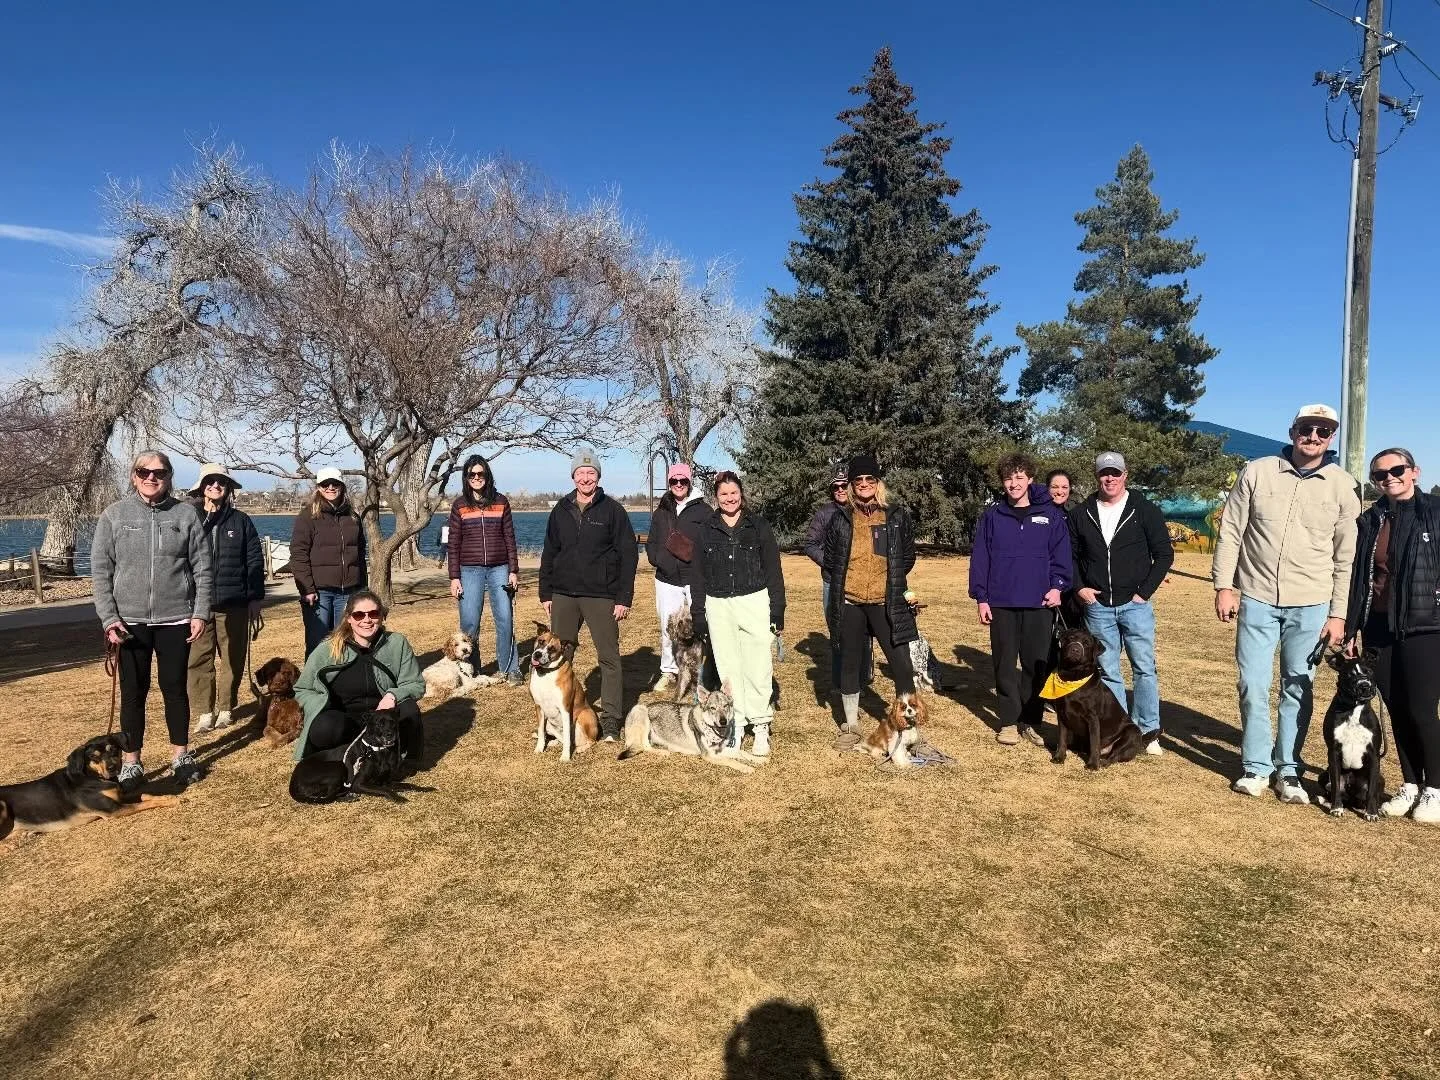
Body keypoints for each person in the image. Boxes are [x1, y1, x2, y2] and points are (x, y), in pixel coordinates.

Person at [1212, 404, 1360, 804]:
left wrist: (1338, 613)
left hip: (1312, 602)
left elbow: (1346, 557)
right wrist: (1224, 585)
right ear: (1293, 430)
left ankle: (1289, 770)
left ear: (1330, 439)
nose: (1313, 436)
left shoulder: (1343, 485)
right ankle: (1256, 767)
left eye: (1323, 431)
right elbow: (1231, 531)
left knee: (1298, 686)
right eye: (1307, 429)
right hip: (1257, 596)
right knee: (1252, 684)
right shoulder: (1257, 472)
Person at [91, 450, 213, 790]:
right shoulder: (113, 516)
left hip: (176, 618)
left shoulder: (186, 514)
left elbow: (203, 569)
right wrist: (109, 618)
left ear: (169, 476)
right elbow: (101, 573)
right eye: (144, 471)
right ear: (133, 476)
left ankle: (181, 756)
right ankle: (131, 761)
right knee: (134, 692)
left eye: (159, 472)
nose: (151, 477)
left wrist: (200, 612)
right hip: (129, 623)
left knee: (175, 689)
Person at [1343, 448, 1440, 823]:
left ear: (1414, 471)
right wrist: (1352, 627)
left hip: (1425, 626)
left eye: (1396, 470)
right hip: (1378, 627)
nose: (1389, 479)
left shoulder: (1434, 510)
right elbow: (1358, 579)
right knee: (1396, 709)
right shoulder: (1371, 519)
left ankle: (1435, 789)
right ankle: (1411, 785)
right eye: (1379, 475)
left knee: (1421, 709)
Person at [1068, 451, 1174, 755]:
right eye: (1104, 473)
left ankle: (1147, 730)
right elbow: (1072, 556)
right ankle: (1116, 730)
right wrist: (1079, 587)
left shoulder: (1144, 509)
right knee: (1109, 669)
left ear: (1125, 475)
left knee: (1144, 668)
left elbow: (1164, 554)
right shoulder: (1081, 513)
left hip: (1135, 604)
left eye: (1115, 473)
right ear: (1097, 476)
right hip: (1098, 606)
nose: (1109, 478)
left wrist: (1144, 592)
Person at [969, 453, 1071, 746]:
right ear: (1002, 482)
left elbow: (1061, 556)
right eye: (1008, 478)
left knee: (1035, 664)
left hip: (1040, 602)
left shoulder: (1050, 515)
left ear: (1030, 480)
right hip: (1001, 602)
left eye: (1019, 477)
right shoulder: (992, 516)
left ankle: (1031, 720)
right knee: (1004, 664)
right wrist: (982, 598)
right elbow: (981, 558)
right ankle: (1009, 722)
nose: (1013, 483)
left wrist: (1057, 587)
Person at [538, 448, 638, 742]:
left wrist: (623, 597)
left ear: (598, 476)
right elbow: (549, 552)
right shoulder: (560, 510)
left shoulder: (613, 511)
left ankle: (610, 721)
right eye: (580, 473)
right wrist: (546, 592)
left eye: (590, 473)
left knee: (608, 658)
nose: (585, 478)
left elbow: (628, 555)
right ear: (573, 477)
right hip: (564, 594)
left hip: (601, 595)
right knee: (558, 657)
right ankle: (557, 720)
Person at [686, 471, 785, 755]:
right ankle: (736, 726)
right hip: (718, 605)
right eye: (723, 494)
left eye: (734, 493)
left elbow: (773, 571)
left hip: (754, 600)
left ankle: (761, 725)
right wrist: (699, 613)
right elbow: (698, 576)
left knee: (757, 665)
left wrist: (777, 610)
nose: (729, 499)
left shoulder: (759, 526)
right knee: (729, 668)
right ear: (715, 498)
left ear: (741, 493)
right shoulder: (706, 530)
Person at [821, 454, 918, 737]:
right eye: (858, 480)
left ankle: (907, 722)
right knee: (850, 661)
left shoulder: (895, 515)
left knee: (901, 662)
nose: (864, 484)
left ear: (878, 483)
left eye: (869, 479)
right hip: (850, 601)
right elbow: (831, 558)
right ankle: (850, 724)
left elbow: (907, 555)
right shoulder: (840, 518)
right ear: (851, 485)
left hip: (885, 601)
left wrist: (890, 579)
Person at [293, 589, 426, 767]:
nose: (366, 620)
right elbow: (303, 689)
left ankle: (402, 759)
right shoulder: (328, 649)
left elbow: (414, 683)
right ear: (348, 618)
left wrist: (392, 695)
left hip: (382, 718)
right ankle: (341, 760)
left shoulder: (396, 643)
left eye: (373, 613)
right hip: (345, 719)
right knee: (325, 726)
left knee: (409, 710)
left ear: (382, 616)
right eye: (358, 615)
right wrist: (320, 704)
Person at [186, 463, 266, 734]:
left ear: (228, 488)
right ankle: (204, 712)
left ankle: (225, 708)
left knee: (232, 659)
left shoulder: (241, 521)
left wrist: (255, 597)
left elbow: (254, 559)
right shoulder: (190, 518)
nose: (216, 486)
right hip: (198, 604)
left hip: (234, 602)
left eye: (222, 482)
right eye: (211, 481)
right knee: (199, 660)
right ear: (202, 486)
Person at [447, 454, 522, 686]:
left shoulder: (501, 502)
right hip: (469, 570)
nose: (477, 478)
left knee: (505, 618)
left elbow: (509, 537)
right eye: (472, 474)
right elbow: (453, 543)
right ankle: (472, 669)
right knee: (470, 623)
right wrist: (454, 577)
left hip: (500, 567)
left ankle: (510, 668)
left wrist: (513, 570)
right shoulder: (459, 505)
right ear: (466, 478)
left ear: (487, 475)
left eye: (481, 474)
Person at [803, 464, 871, 695]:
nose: (841, 490)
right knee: (837, 632)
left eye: (844, 485)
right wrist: (832, 562)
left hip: (860, 582)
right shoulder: (824, 514)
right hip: (832, 582)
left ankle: (862, 681)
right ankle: (839, 683)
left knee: (862, 632)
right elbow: (810, 545)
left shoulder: (863, 510)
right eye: (836, 487)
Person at [290, 466, 367, 657]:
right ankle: (314, 685)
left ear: (342, 486)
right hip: (319, 593)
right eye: (325, 484)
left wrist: (362, 587)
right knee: (317, 645)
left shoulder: (353, 517)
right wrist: (307, 589)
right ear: (319, 487)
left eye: (335, 484)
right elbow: (298, 554)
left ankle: (342, 684)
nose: (330, 487)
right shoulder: (308, 516)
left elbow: (359, 553)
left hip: (348, 591)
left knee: (345, 642)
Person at [645, 461, 703, 693]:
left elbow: (708, 543)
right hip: (666, 579)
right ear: (669, 483)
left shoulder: (703, 511)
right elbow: (652, 543)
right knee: (668, 627)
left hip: (695, 578)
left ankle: (699, 672)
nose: (679, 485)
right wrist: (660, 560)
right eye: (674, 481)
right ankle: (668, 671)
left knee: (700, 624)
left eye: (683, 480)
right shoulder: (662, 512)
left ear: (689, 482)